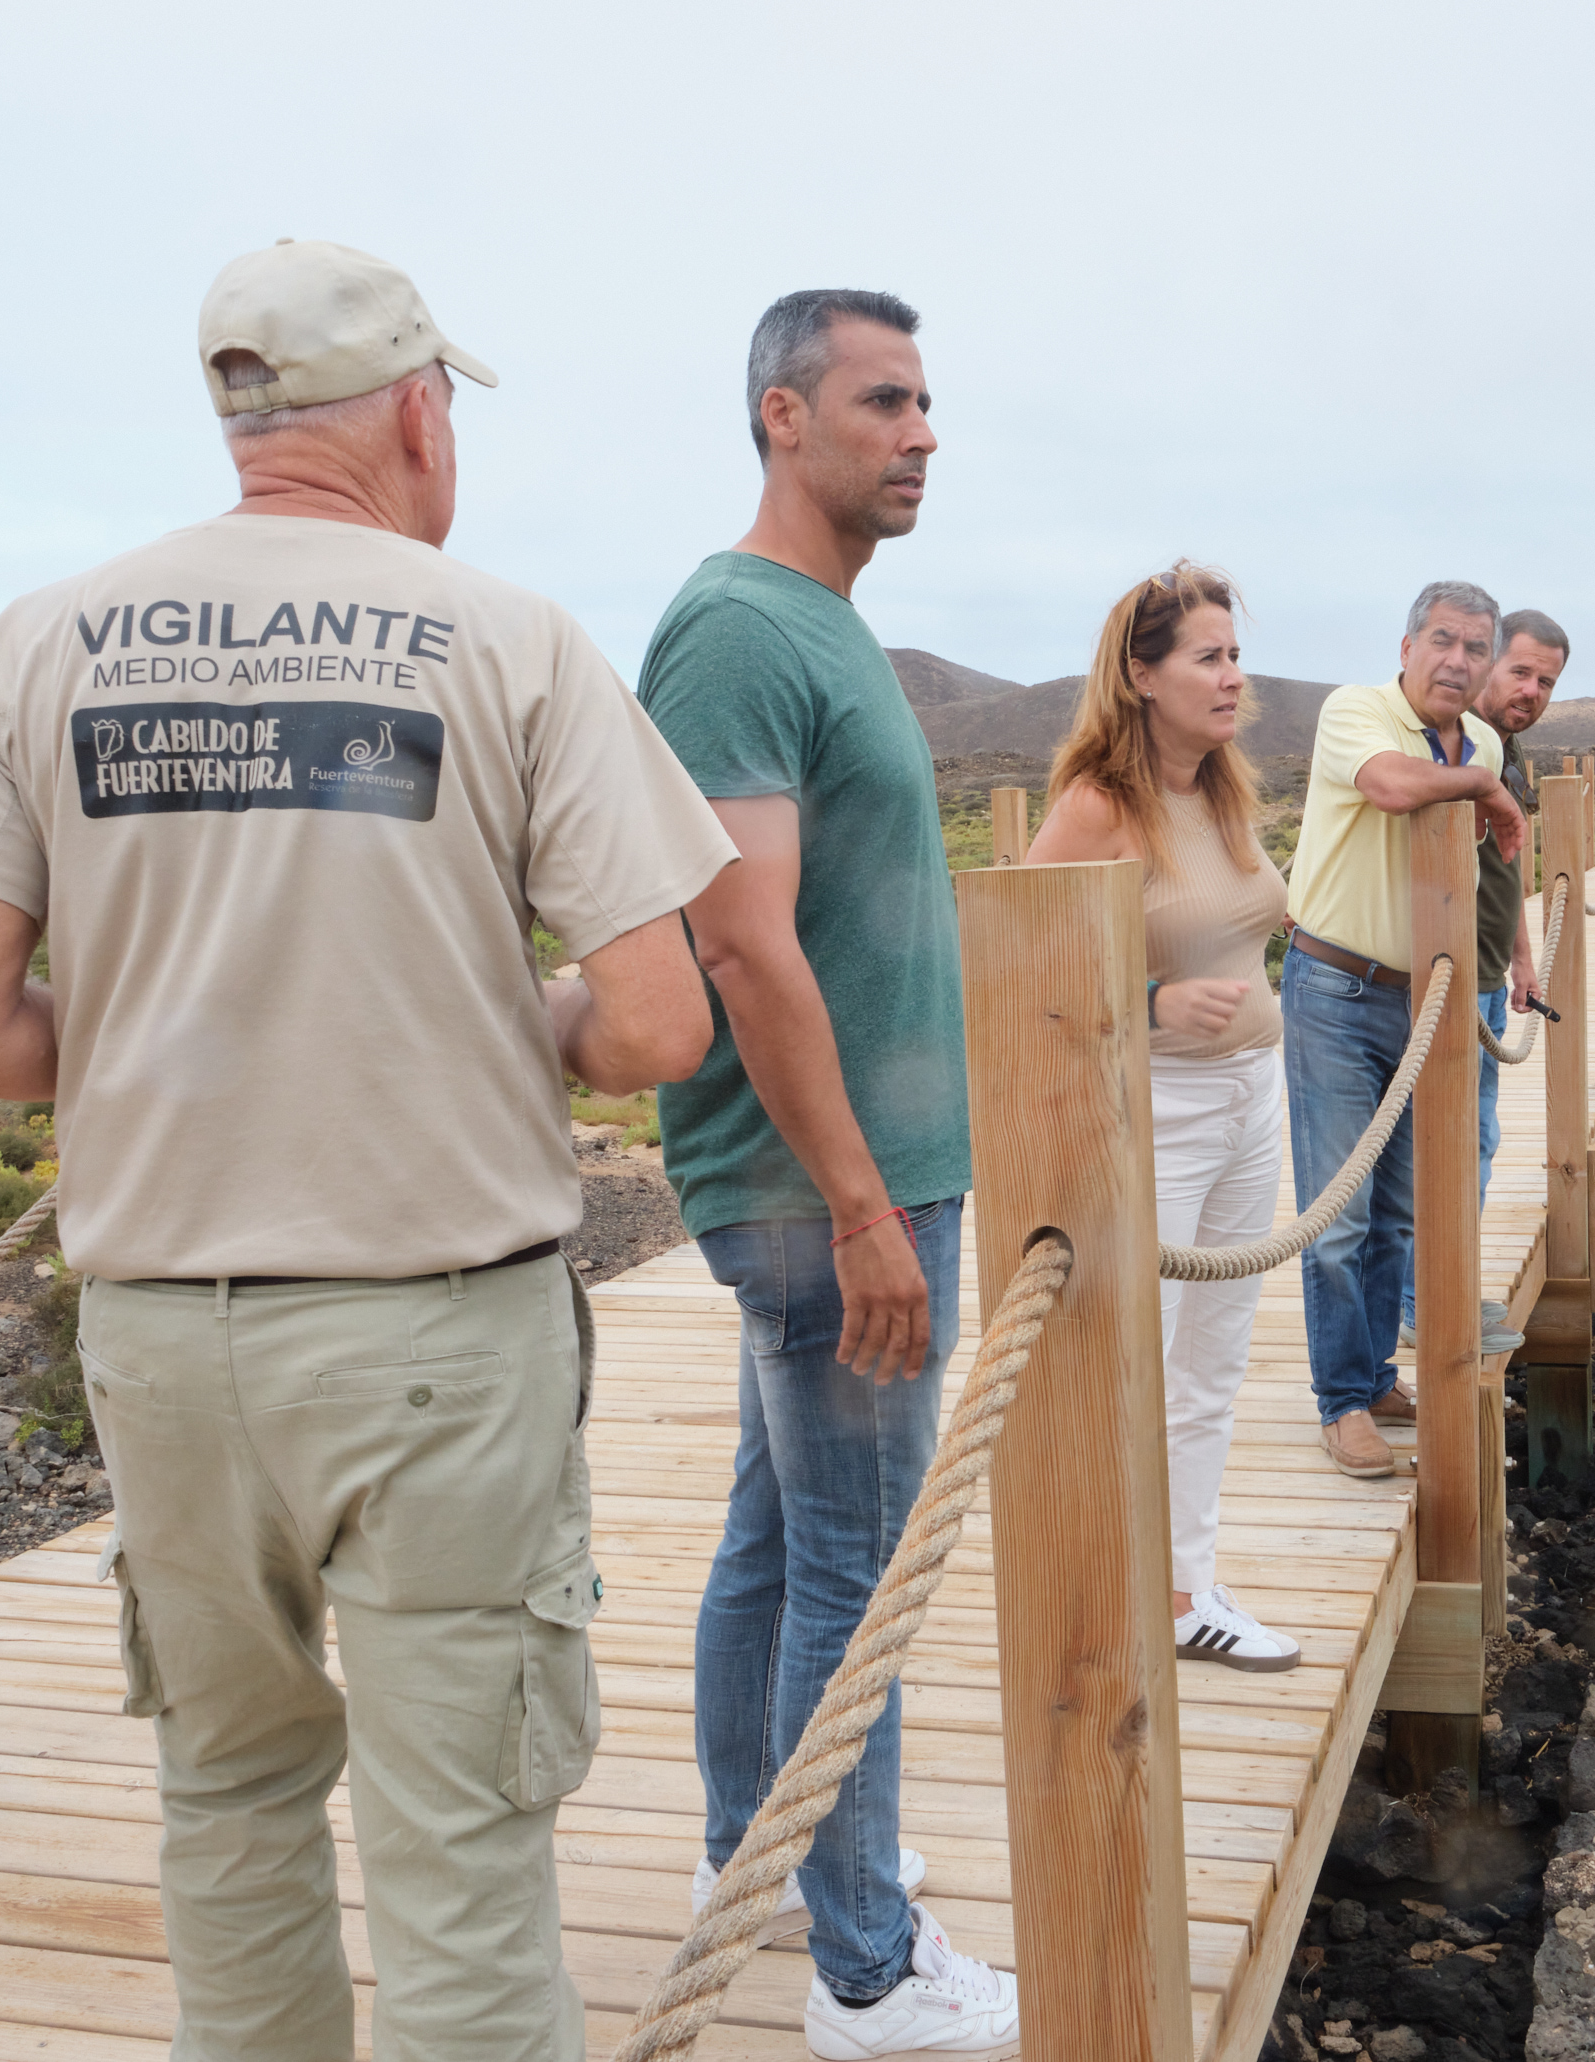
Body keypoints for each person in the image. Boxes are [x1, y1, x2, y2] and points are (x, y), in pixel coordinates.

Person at [0, 239, 732, 2062]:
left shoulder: (45, 636)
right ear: (418, 414)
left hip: (165, 1343)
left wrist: (174, 1057)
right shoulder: (506, 636)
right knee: (461, 1861)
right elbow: (658, 1024)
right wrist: (501, 1030)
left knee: (228, 1795)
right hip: (433, 1345)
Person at [636, 288, 1021, 2058]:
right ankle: (863, 1961)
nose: (922, 430)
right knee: (854, 1569)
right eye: (884, 399)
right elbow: (743, 946)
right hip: (819, 1192)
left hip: (849, 1180)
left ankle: (771, 1861)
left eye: (928, 400)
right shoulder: (732, 632)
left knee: (776, 1539)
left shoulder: (821, 620)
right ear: (783, 417)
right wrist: (868, 1208)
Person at [1024, 562, 1299, 1671]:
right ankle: (1110, 1591)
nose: (1233, 677)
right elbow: (1012, 961)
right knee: (1141, 1356)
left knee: (1213, 1362)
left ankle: (1187, 1586)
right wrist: (1147, 1003)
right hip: (1165, 1105)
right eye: (1206, 657)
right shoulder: (1097, 805)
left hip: (1253, 1094)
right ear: (1141, 674)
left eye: (1234, 654)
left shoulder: (1222, 787)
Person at [1280, 581, 1526, 1479]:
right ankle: (1341, 1402)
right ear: (1407, 646)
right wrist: (1485, 787)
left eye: (1475, 648)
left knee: (1397, 1213)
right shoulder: (1359, 713)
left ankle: (1375, 1374)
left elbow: (1489, 869)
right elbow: (1392, 789)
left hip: (1423, 1000)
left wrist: (1486, 778)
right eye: (1443, 642)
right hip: (1337, 991)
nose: (1457, 661)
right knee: (1338, 1211)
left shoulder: (1486, 738)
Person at [1396, 608, 1569, 1351]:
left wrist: (1522, 956)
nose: (1531, 690)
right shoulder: (1450, 747)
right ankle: (1424, 1304)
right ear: (1485, 661)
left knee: (1475, 1142)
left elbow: (1505, 862)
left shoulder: (1506, 751)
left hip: (1488, 975)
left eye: (1547, 682)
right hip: (1441, 976)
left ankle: (1440, 1292)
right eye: (1521, 671)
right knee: (1441, 1147)